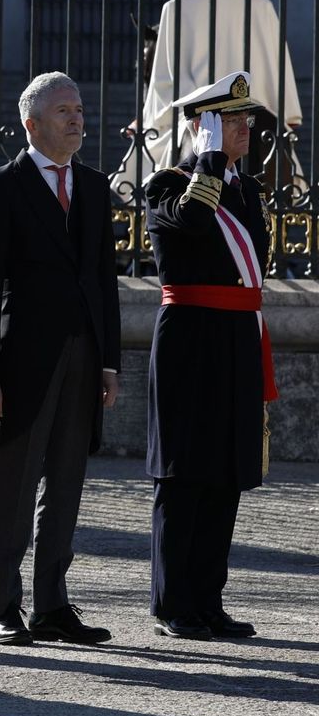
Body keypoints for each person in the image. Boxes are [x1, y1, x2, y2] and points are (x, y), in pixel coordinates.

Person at [0, 72, 121, 647]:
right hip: (21, 361)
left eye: (79, 109)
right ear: (31, 124)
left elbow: (103, 281)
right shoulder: (1, 186)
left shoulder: (94, 186)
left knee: (66, 481)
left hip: (83, 356)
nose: (76, 119)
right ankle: (3, 603)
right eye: (63, 111)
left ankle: (53, 604)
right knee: (13, 481)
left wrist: (109, 362)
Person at [144, 71, 272, 640]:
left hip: (238, 335)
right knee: (185, 472)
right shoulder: (165, 185)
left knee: (226, 470)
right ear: (203, 127)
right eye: (231, 120)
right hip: (190, 339)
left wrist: (222, 168)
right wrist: (209, 161)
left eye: (246, 119)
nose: (245, 128)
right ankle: (174, 603)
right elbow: (193, 222)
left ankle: (208, 601)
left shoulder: (247, 189)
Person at [112, 0, 303, 202]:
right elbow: (277, 68)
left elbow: (163, 80)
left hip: (197, 120)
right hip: (253, 118)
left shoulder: (176, 7)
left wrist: (150, 119)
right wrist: (288, 115)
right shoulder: (261, 6)